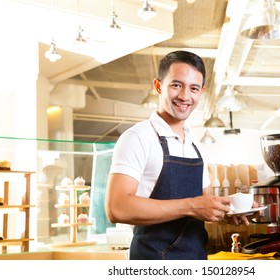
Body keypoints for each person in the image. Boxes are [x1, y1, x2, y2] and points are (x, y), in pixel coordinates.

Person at [105, 50, 254, 260]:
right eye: (176, 85)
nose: (185, 96)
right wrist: (191, 206)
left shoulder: (196, 147)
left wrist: (232, 211)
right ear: (158, 86)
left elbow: (204, 205)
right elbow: (117, 208)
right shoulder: (138, 137)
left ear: (201, 92)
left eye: (193, 88)